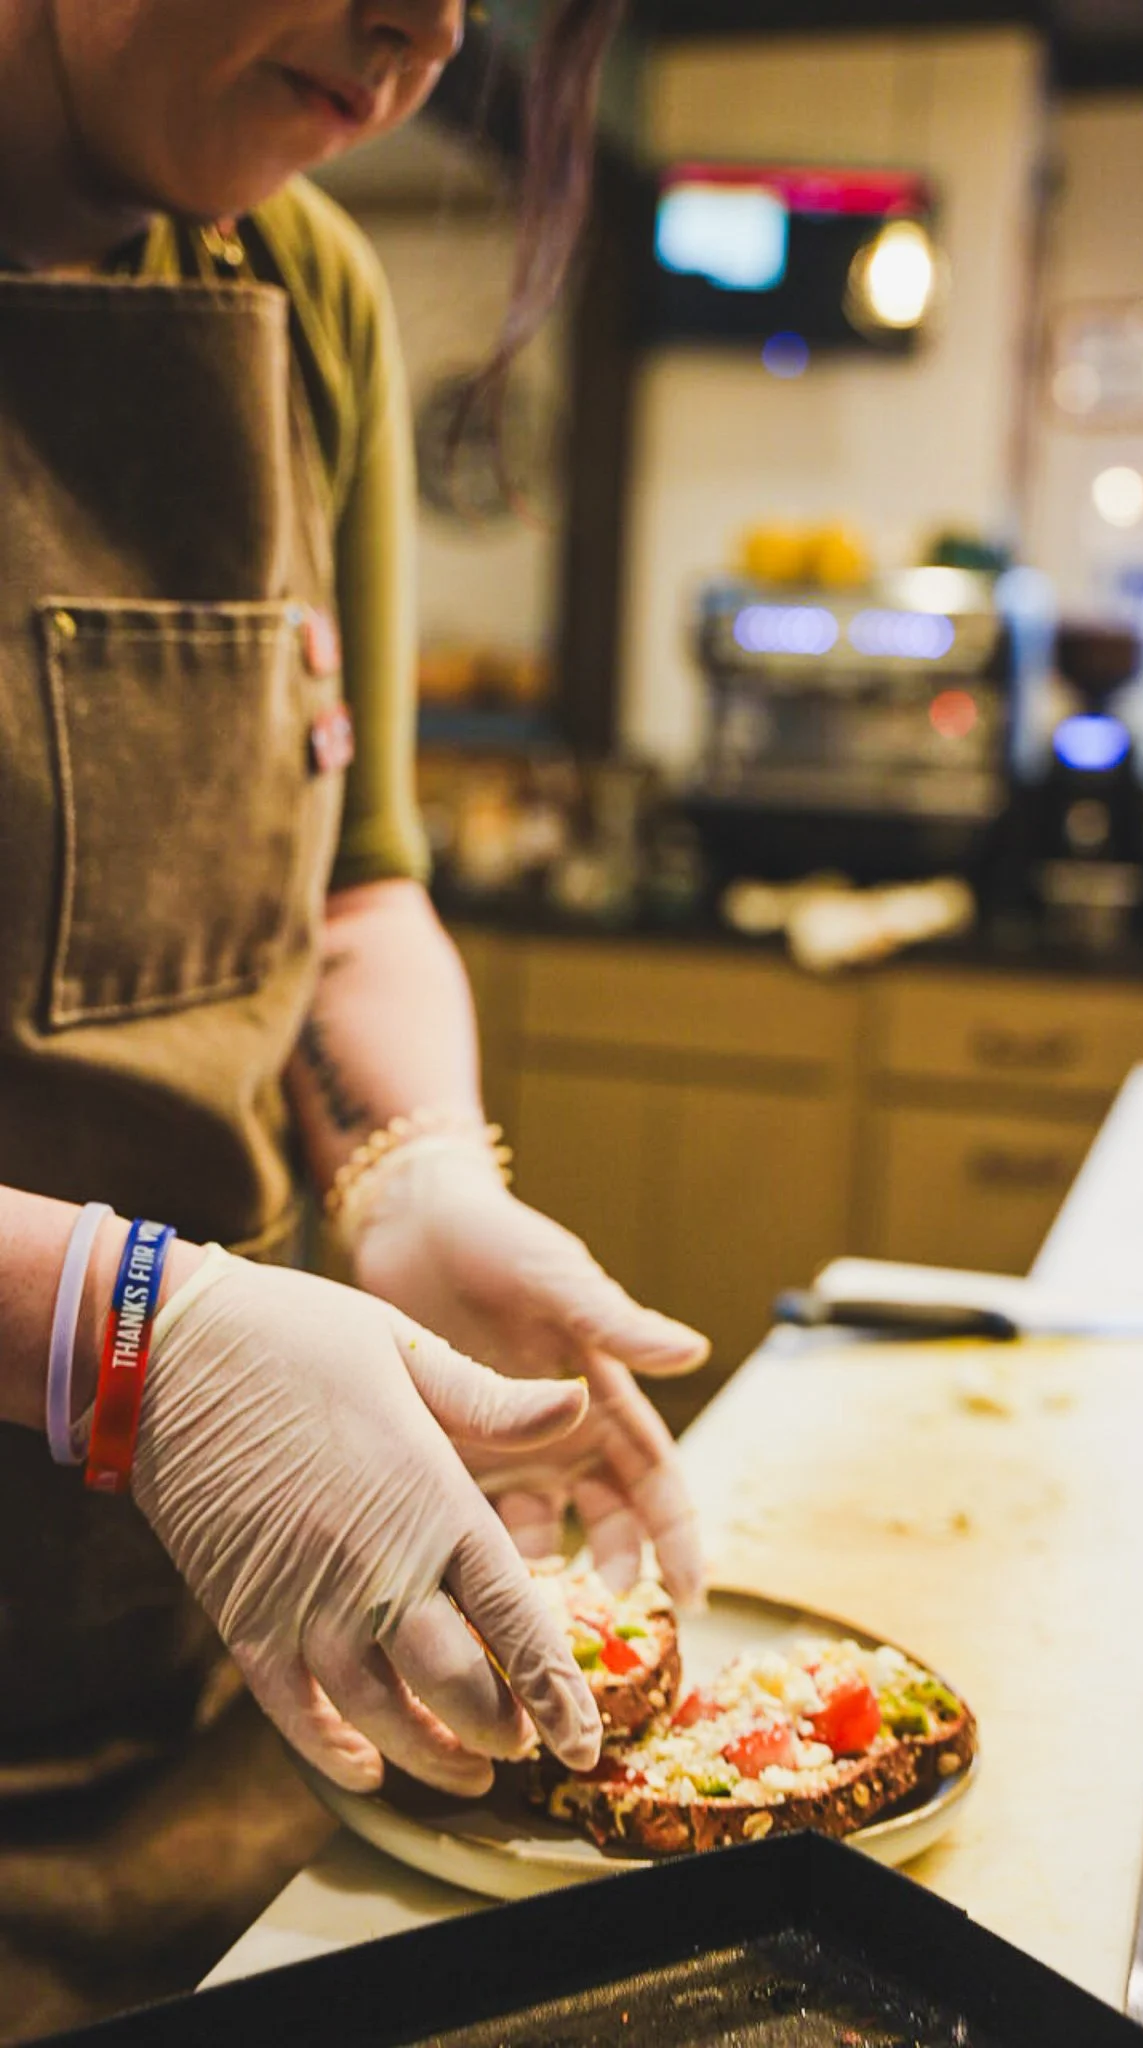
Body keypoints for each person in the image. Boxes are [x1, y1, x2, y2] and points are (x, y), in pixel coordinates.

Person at [0, 1, 710, 2036]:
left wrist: (417, 1177)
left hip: (210, 1677)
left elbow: (356, 890)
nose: (431, 27)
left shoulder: (303, 290)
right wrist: (123, 1334)